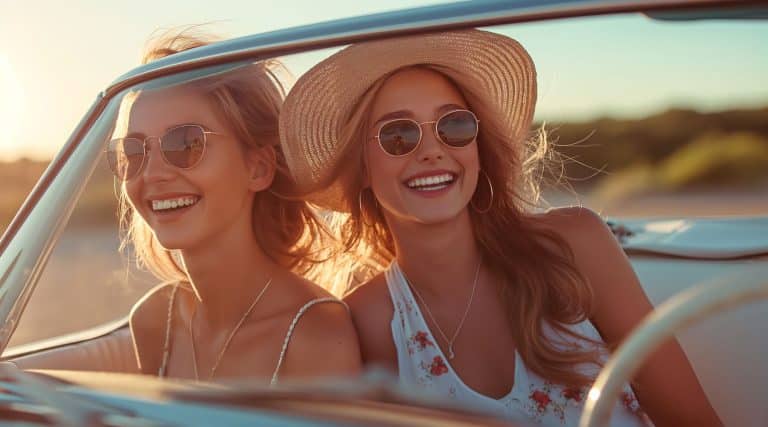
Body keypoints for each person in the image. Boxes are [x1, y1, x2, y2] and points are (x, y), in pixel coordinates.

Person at [279, 30, 721, 425]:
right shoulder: (371, 318)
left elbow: (692, 421)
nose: (432, 150)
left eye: (454, 125)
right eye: (399, 135)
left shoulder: (574, 245)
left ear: (479, 145)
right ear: (362, 168)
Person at [106, 32, 361, 382]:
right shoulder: (153, 320)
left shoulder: (315, 334)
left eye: (185, 144)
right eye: (133, 152)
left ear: (258, 168)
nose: (152, 173)